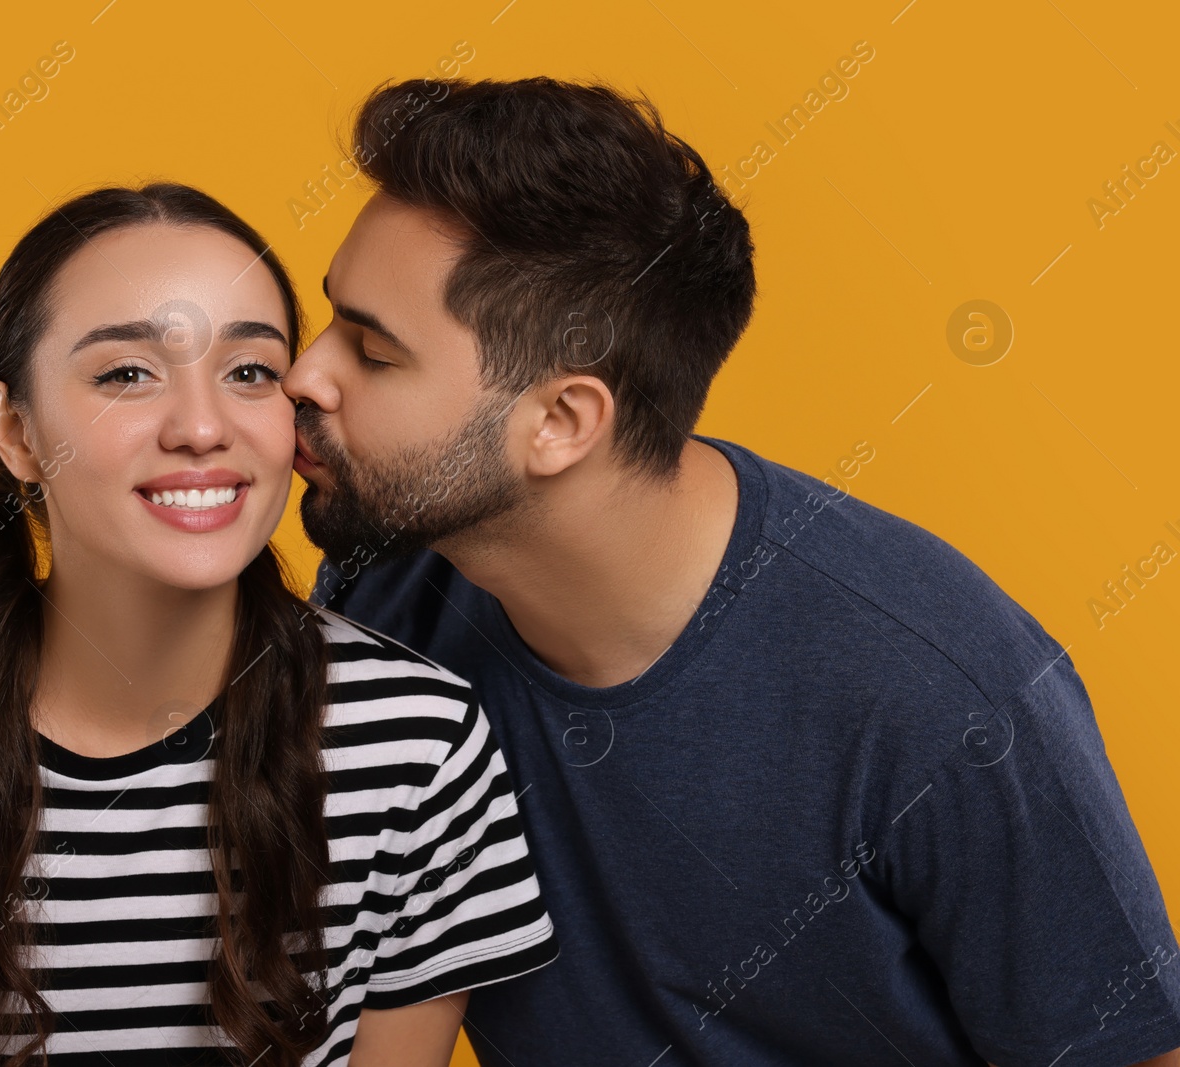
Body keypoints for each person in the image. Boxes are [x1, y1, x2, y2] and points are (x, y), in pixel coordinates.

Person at [284, 77, 1180, 1067]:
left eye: (371, 351)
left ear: (561, 422)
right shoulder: (383, 598)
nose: (302, 374)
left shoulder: (942, 694)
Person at [0, 183, 558, 1067]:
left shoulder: (418, 747)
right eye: (125, 374)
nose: (202, 427)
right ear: (15, 429)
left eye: (249, 370)